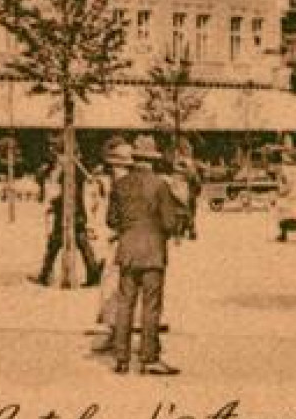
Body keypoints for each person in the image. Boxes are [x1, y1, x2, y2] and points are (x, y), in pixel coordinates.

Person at [106, 134, 185, 375]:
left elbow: (111, 220)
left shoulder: (120, 185)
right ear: (152, 160)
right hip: (153, 252)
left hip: (127, 250)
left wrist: (128, 230)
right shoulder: (160, 186)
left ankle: (121, 358)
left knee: (125, 303)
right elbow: (169, 222)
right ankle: (149, 358)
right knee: (151, 306)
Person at [90, 140, 133, 353]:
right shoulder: (114, 185)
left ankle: (117, 334)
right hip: (115, 242)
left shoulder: (126, 186)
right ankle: (114, 332)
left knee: (115, 288)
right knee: (111, 287)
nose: (114, 169)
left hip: (122, 243)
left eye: (117, 165)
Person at [33, 152, 101, 287]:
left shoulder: (67, 171)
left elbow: (56, 189)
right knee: (80, 243)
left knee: (55, 244)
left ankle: (45, 275)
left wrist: (53, 203)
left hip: (66, 213)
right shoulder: (77, 170)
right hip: (76, 212)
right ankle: (93, 272)